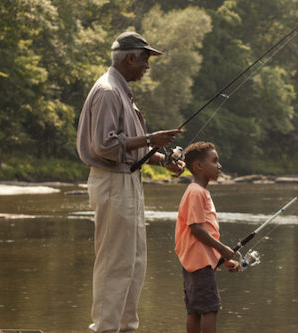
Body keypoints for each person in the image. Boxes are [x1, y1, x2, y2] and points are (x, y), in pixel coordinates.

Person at [76, 31, 186, 333]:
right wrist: (152, 138)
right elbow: (105, 146)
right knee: (115, 262)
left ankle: (126, 328)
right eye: (145, 59)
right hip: (112, 182)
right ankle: (105, 328)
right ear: (129, 58)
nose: (147, 66)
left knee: (134, 262)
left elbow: (130, 148)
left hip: (127, 180)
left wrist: (161, 159)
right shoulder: (109, 92)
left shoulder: (122, 92)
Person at [174, 141, 240, 333]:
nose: (219, 166)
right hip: (199, 262)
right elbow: (196, 229)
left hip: (194, 261)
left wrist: (222, 259)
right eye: (214, 161)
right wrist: (223, 249)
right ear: (198, 166)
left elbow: (204, 234)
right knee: (210, 309)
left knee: (194, 310)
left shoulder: (198, 191)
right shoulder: (196, 192)